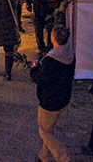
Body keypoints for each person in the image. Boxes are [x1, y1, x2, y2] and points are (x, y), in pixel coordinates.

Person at [30, 26, 76, 162]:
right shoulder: (70, 54)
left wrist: (34, 68)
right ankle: (43, 157)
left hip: (50, 101)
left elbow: (40, 78)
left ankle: (62, 158)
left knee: (44, 131)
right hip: (64, 97)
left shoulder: (52, 60)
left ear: (53, 38)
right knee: (49, 129)